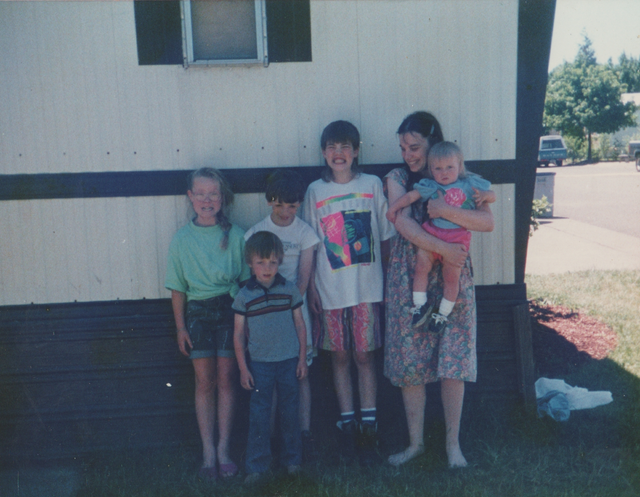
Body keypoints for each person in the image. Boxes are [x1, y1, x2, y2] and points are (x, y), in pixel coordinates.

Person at [383, 112, 494, 468]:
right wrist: (444, 247)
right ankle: (415, 444)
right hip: (411, 273)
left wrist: (447, 210)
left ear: (433, 144)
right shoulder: (397, 177)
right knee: (411, 358)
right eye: (403, 147)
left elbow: (487, 221)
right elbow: (401, 221)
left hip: (452, 274)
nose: (408, 155)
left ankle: (452, 447)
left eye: (414, 147)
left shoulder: (459, 176)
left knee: (453, 356)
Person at [303, 120, 395, 464]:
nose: (338, 154)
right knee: (339, 357)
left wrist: (386, 282)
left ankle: (369, 424)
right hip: (329, 292)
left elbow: (385, 236)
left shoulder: (371, 185)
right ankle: (347, 423)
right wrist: (310, 287)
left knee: (364, 355)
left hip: (366, 289)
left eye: (345, 147)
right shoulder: (315, 191)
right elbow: (310, 244)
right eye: (331, 147)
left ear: (356, 151)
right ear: (323, 153)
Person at [165, 167, 250, 480]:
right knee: (204, 381)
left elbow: (245, 286)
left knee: (227, 378)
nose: (206, 199)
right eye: (199, 194)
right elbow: (178, 289)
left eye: (213, 193)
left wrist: (243, 324)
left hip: (229, 311)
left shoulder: (237, 236)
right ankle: (208, 452)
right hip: (197, 313)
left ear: (222, 198)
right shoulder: (182, 239)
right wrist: (180, 328)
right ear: (190, 197)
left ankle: (225, 448)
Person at [244, 170, 320, 463]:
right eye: (279, 205)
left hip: (295, 312)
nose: (285, 212)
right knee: (271, 377)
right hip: (265, 316)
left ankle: (302, 434)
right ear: (269, 203)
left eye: (292, 206)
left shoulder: (305, 233)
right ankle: (274, 438)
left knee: (300, 375)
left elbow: (303, 278)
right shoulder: (256, 233)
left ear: (299, 204)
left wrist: (289, 309)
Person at [387, 141, 495, 331]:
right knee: (422, 266)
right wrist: (394, 208)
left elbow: (491, 198)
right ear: (431, 169)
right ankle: (419, 306)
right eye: (438, 168)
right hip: (433, 233)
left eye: (449, 167)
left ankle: (442, 314)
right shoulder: (431, 185)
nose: (444, 172)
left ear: (459, 166)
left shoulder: (470, 185)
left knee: (451, 278)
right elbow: (410, 197)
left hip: (456, 239)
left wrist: (485, 196)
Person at [232, 231, 308, 484]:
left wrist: (301, 358)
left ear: (280, 262)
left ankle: (292, 462)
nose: (267, 268)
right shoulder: (244, 296)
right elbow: (239, 333)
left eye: (273, 262)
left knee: (289, 413)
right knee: (259, 415)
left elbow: (300, 325)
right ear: (250, 264)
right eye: (261, 262)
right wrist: (243, 369)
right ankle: (256, 466)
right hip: (260, 365)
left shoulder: (289, 290)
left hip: (288, 362)